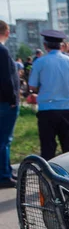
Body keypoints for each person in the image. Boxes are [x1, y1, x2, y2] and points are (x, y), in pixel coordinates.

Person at [28, 30, 69, 160]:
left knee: (48, 149)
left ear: (45, 45)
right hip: (68, 109)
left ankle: (47, 178)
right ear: (61, 45)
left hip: (47, 109)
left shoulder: (40, 62)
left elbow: (32, 86)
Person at [0, 21, 20, 189]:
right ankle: (4, 175)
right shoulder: (3, 51)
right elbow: (7, 79)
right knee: (4, 140)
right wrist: (13, 99)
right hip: (5, 103)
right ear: (6, 32)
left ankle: (6, 169)